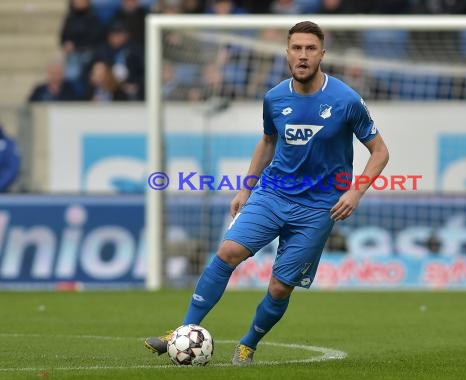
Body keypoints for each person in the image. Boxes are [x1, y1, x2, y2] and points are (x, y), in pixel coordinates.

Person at [144, 21, 389, 365]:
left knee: (279, 288)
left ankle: (248, 343)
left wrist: (355, 193)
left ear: (322, 54)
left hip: (318, 208)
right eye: (297, 48)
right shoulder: (274, 98)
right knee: (228, 251)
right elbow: (268, 142)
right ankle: (184, 328)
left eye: (310, 49)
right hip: (273, 194)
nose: (303, 56)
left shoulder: (345, 100)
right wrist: (246, 189)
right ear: (287, 52)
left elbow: (380, 151)